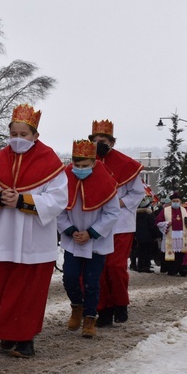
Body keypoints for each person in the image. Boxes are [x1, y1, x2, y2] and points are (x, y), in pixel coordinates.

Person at [0, 104, 68, 358]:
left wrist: (24, 201)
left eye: (23, 134)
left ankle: (25, 339)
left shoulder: (50, 161)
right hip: (2, 234)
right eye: (13, 134)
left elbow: (59, 199)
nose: (17, 139)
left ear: (35, 135)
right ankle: (6, 332)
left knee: (28, 291)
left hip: (34, 237)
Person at [58, 140, 119, 338]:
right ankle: (77, 306)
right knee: (70, 277)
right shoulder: (65, 180)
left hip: (96, 241)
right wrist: (70, 230)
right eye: (77, 165)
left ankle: (90, 318)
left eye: (85, 166)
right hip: (73, 239)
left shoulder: (106, 182)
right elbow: (59, 210)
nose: (80, 169)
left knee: (92, 282)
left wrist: (92, 232)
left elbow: (112, 213)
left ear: (93, 163)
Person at [90, 120, 143, 326]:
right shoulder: (87, 162)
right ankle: (103, 309)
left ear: (111, 141)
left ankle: (120, 303)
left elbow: (137, 193)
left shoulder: (126, 164)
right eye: (94, 140)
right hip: (97, 223)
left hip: (121, 223)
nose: (98, 143)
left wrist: (118, 202)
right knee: (99, 269)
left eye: (102, 140)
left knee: (116, 266)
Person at [156, 191, 187, 276]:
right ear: (171, 202)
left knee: (180, 254)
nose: (175, 203)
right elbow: (158, 222)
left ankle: (182, 268)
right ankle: (172, 269)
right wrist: (167, 224)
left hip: (182, 236)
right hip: (170, 235)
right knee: (171, 253)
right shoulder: (165, 211)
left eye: (177, 201)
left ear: (180, 202)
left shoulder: (185, 211)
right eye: (174, 201)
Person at [134, 195, 161, 272]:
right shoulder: (149, 215)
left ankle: (140, 266)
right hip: (149, 236)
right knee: (147, 252)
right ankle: (146, 266)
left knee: (141, 251)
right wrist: (158, 234)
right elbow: (152, 226)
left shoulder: (137, 215)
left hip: (139, 236)